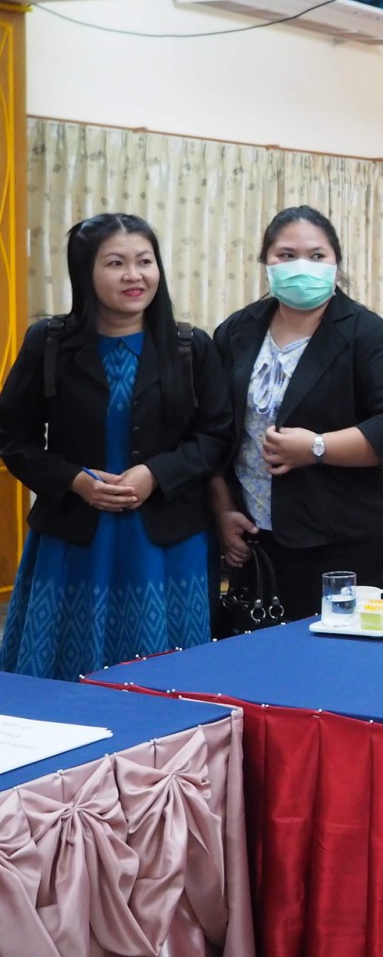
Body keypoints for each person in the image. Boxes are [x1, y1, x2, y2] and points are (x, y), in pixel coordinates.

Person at [0, 214, 231, 680]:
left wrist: (156, 474)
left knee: (170, 680)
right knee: (64, 681)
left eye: (145, 261)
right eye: (115, 263)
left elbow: (217, 436)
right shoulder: (48, 343)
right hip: (73, 540)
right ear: (84, 272)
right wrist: (74, 480)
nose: (134, 275)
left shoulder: (190, 346)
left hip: (168, 543)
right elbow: (12, 437)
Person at [209, 206, 383, 620]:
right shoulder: (238, 331)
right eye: (286, 255)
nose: (301, 267)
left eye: (316, 256)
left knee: (349, 656)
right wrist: (223, 509)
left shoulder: (366, 333)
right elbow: (212, 430)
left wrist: (316, 447)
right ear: (266, 262)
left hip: (355, 541)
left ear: (336, 263)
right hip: (261, 538)